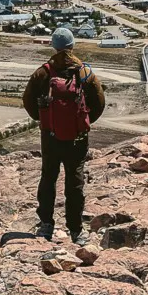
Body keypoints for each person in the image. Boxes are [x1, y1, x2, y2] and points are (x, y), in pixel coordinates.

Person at [23, 27, 105, 244]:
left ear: (53, 45)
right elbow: (99, 103)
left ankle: (46, 225)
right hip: (77, 138)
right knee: (75, 181)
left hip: (50, 136)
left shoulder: (43, 73)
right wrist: (82, 122)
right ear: (72, 45)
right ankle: (76, 230)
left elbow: (28, 102)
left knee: (48, 178)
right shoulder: (85, 73)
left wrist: (44, 120)